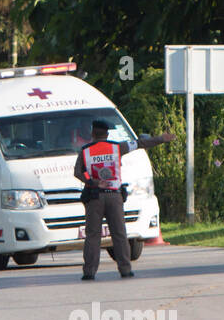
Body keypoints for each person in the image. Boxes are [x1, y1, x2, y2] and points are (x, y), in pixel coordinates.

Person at [74, 120, 172, 281]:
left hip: (94, 197)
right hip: (114, 196)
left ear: (92, 134)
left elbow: (78, 173)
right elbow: (140, 143)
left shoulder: (85, 151)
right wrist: (161, 138)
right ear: (106, 134)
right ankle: (125, 269)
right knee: (119, 234)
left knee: (93, 236)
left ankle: (89, 272)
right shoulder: (117, 147)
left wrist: (92, 181)